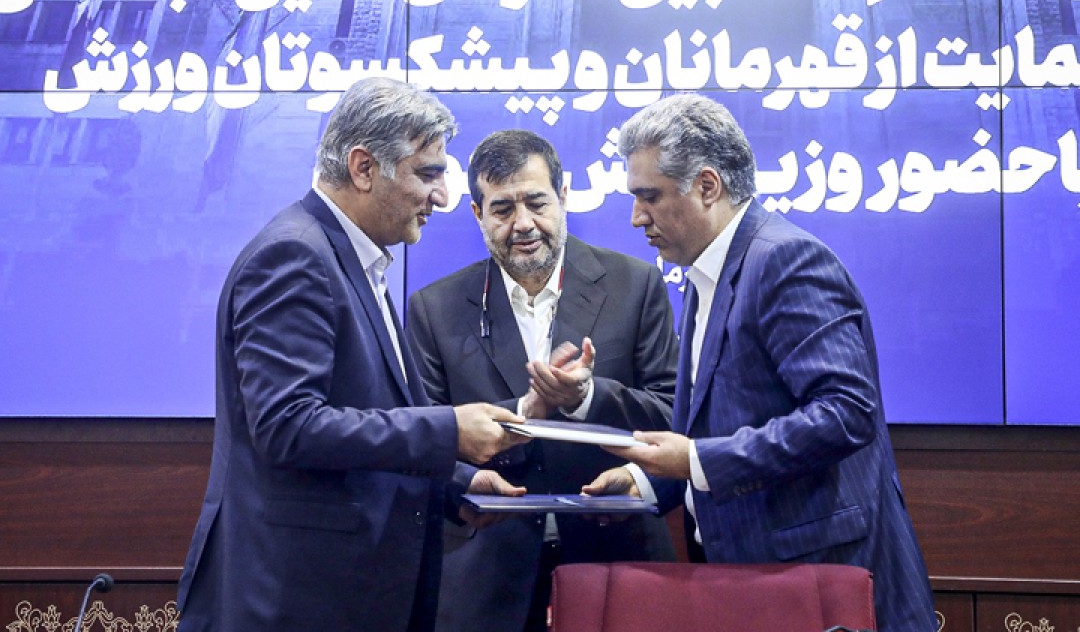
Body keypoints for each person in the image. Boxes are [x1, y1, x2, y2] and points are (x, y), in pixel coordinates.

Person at [176, 78, 528, 632]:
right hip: (294, 602)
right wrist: (448, 431)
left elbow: (362, 418)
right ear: (364, 168)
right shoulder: (295, 255)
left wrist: (456, 482)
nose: (441, 196)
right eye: (428, 174)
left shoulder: (353, 259)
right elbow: (288, 427)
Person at [584, 94, 937, 632]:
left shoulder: (785, 261)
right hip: (751, 580)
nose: (637, 217)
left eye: (649, 196)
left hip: (821, 581)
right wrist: (648, 480)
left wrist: (695, 461)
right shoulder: (706, 273)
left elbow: (846, 413)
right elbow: (718, 427)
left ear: (707, 186)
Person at [406, 129, 679, 632]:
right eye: (503, 209)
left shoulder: (636, 285)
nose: (524, 224)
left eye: (536, 202)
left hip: (617, 562)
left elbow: (673, 414)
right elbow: (421, 440)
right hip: (486, 579)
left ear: (564, 196)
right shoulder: (434, 309)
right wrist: (467, 481)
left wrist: (587, 397)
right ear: (477, 214)